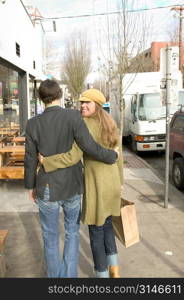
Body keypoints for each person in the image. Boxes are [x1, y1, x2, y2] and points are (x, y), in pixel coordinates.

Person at [24, 80, 118, 278]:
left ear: (41, 99)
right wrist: (112, 156)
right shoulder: (74, 117)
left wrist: (30, 186)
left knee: (50, 237)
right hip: (72, 186)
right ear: (59, 95)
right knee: (72, 233)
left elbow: (30, 158)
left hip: (46, 186)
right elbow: (89, 146)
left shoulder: (32, 123)